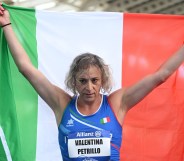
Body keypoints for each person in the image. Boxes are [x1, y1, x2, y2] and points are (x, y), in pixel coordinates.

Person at [0, 4, 184, 161]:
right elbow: (26, 68)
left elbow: (160, 76)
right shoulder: (62, 104)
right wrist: (6, 24)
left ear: (102, 80)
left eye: (95, 80)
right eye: (83, 81)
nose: (89, 87)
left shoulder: (116, 103)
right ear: (74, 82)